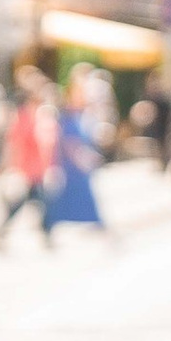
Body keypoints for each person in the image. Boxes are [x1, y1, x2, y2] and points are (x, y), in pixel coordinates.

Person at [0, 67, 60, 247]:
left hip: (37, 166)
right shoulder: (24, 117)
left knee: (34, 201)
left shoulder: (42, 115)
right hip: (29, 166)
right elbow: (15, 142)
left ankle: (6, 230)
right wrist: (7, 165)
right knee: (40, 202)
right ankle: (46, 234)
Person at [43, 71, 112, 236]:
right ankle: (48, 223)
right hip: (71, 162)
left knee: (79, 193)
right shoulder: (67, 114)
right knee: (64, 195)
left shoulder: (83, 113)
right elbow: (67, 138)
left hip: (79, 159)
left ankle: (92, 221)